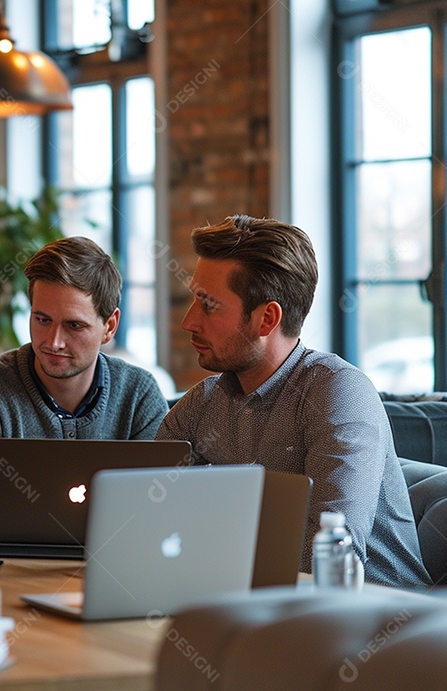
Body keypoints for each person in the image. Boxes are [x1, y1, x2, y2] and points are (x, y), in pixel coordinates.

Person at [157, 214, 429, 588]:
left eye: (209, 305)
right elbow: (145, 515)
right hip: (259, 605)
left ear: (266, 318)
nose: (189, 321)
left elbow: (329, 560)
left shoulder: (339, 394)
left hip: (383, 623)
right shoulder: (202, 404)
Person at [0, 236, 169, 495]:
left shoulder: (139, 395)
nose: (54, 342)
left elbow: (154, 507)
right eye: (42, 319)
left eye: (74, 325)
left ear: (110, 326)